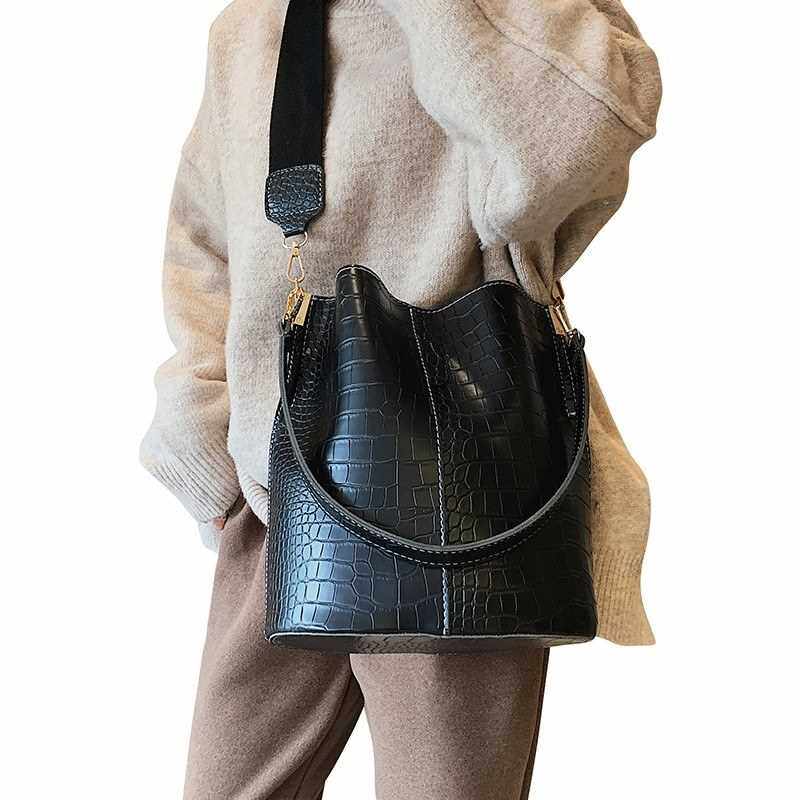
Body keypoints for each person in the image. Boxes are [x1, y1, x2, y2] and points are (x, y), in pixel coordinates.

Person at [141, 1, 661, 797]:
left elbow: (544, 172)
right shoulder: (253, 25)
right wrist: (199, 425)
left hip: (462, 492)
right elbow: (203, 241)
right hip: (275, 492)